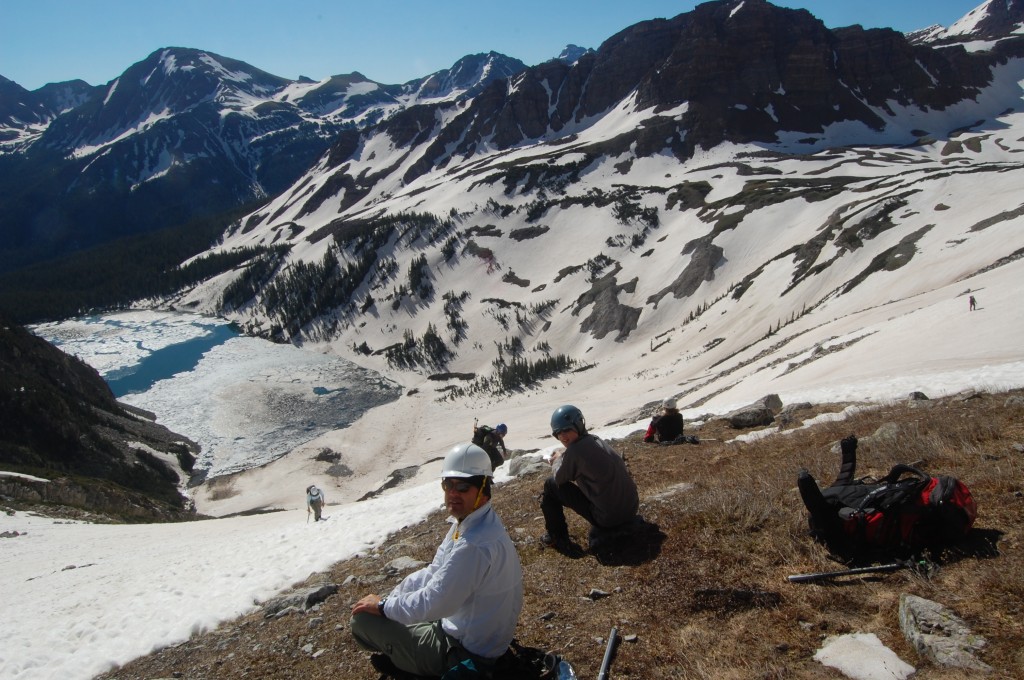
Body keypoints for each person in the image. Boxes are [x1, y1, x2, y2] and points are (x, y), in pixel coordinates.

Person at [350, 443, 524, 678]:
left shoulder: (474, 543)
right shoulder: (472, 523)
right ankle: (402, 655)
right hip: (469, 635)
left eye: (463, 486)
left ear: (484, 490)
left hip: (464, 651)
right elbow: (435, 571)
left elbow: (437, 601)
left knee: (362, 622)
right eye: (448, 485)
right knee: (389, 613)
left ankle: (406, 662)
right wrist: (390, 600)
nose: (453, 493)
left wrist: (382, 607)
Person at [540, 405, 639, 554]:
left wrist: (557, 461)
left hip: (609, 519)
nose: (562, 437)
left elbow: (559, 478)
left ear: (578, 425)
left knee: (550, 485)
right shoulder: (595, 439)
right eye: (558, 433)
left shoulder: (575, 451)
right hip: (631, 509)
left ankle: (556, 537)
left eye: (566, 430)